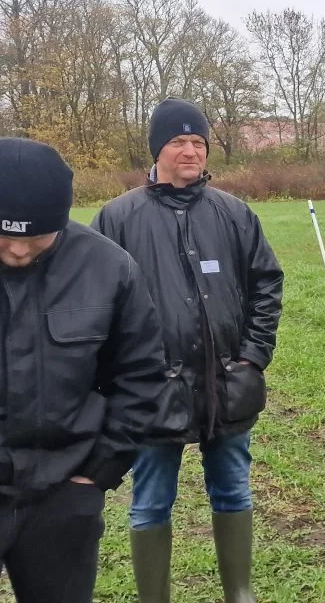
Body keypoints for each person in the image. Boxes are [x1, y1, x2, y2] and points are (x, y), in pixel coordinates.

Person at [92, 98, 284, 603]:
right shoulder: (117, 218)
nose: (190, 151)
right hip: (153, 391)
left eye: (198, 142)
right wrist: (123, 378)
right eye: (178, 142)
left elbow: (266, 284)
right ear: (157, 149)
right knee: (150, 503)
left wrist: (253, 356)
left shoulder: (235, 213)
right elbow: (95, 304)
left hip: (228, 383)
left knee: (233, 490)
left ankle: (238, 593)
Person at [0, 137, 183, 602]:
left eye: (35, 237)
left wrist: (101, 468)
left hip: (63, 493)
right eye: (4, 235)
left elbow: (140, 374)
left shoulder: (109, 268)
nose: (18, 251)